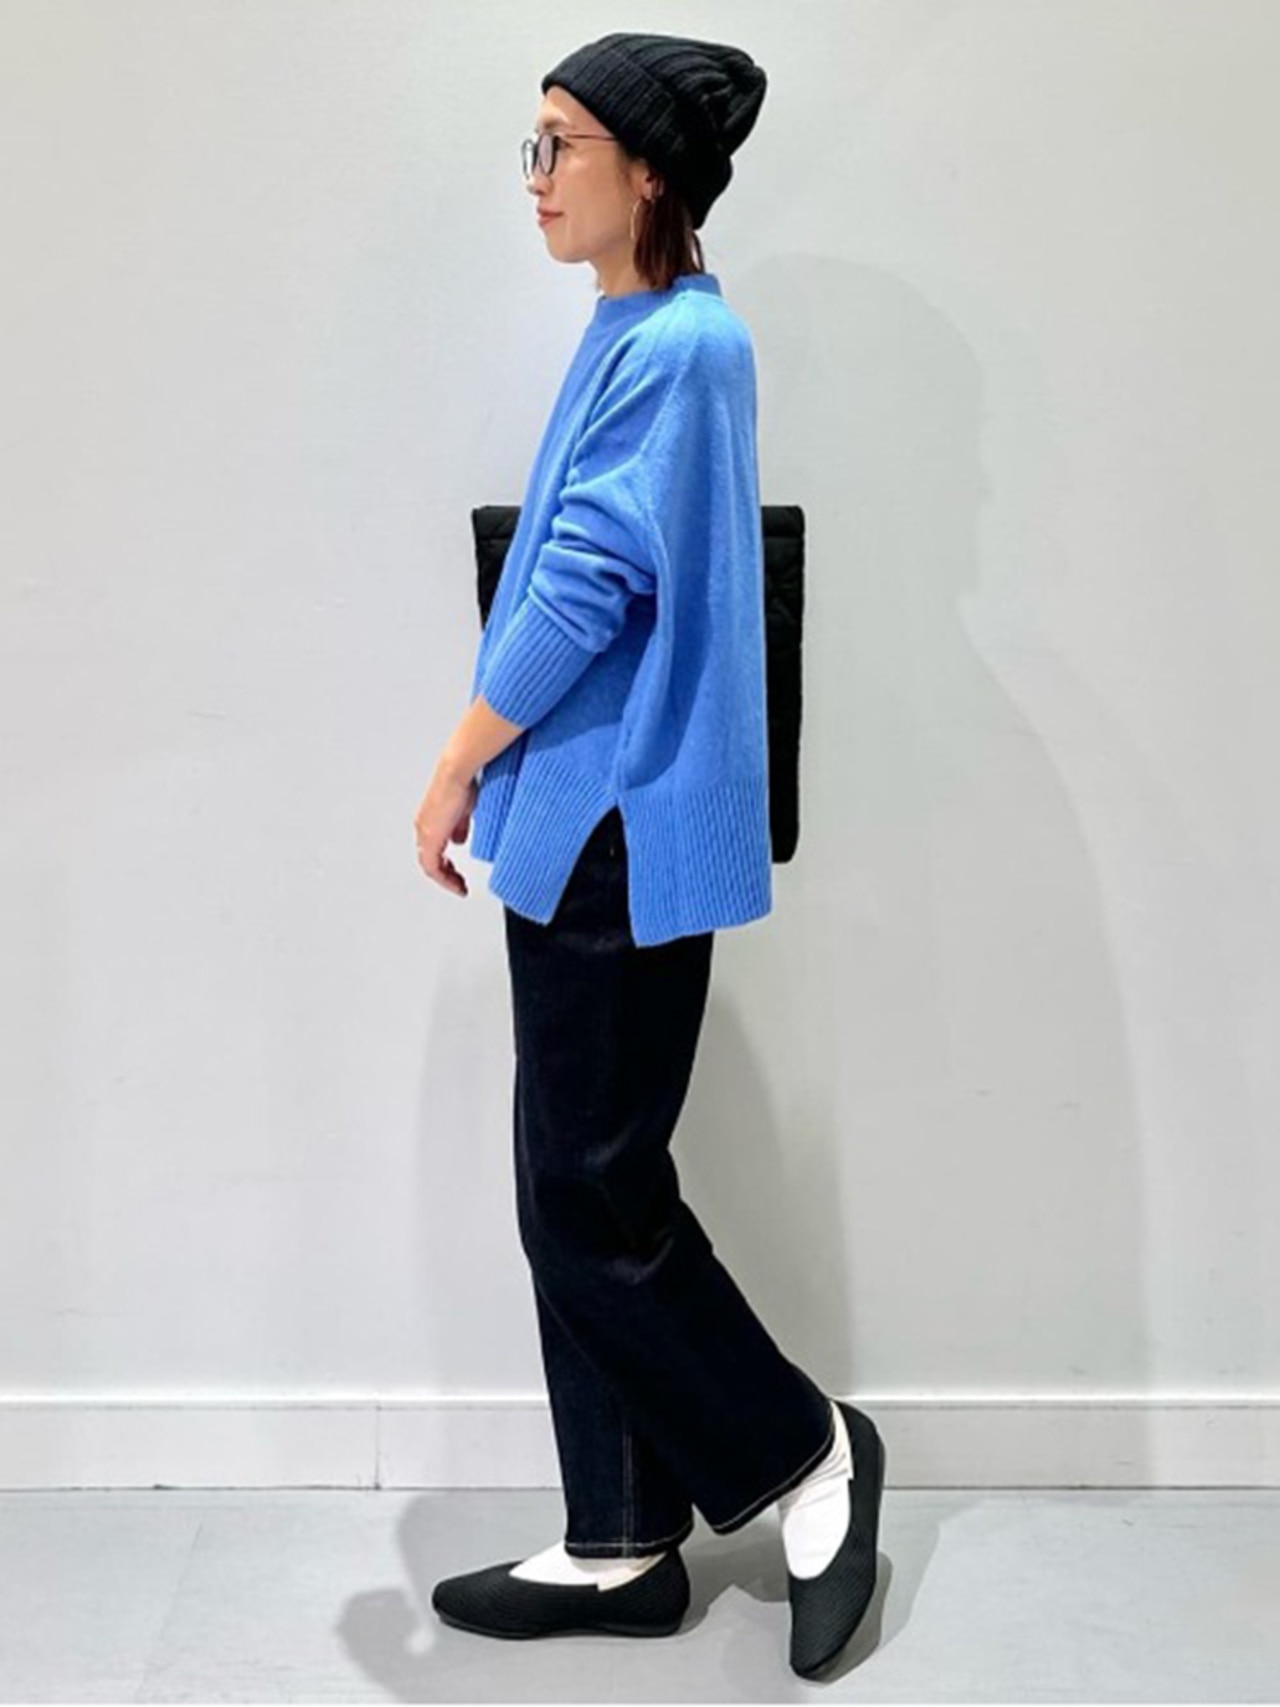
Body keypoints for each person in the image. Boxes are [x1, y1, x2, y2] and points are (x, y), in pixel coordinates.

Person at [413, 32, 886, 1679]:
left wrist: (459, 756)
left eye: (564, 145)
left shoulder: (686, 343)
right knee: (570, 1176)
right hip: (581, 820)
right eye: (532, 144)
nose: (537, 177)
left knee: (593, 1194)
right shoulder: (631, 329)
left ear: (652, 170)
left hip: (623, 822)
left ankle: (806, 1452)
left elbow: (588, 580)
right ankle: (619, 1537)